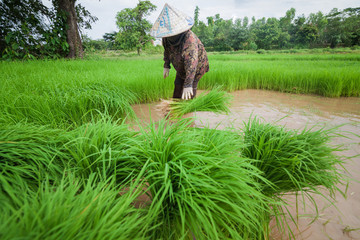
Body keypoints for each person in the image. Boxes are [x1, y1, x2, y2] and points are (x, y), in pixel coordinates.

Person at [150, 4, 209, 100]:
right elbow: (167, 51)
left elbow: (192, 62)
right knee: (178, 84)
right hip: (181, 65)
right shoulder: (166, 38)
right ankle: (175, 107)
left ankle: (189, 110)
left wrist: (188, 84)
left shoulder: (189, 39)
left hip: (196, 67)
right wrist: (166, 65)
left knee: (189, 92)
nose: (170, 36)